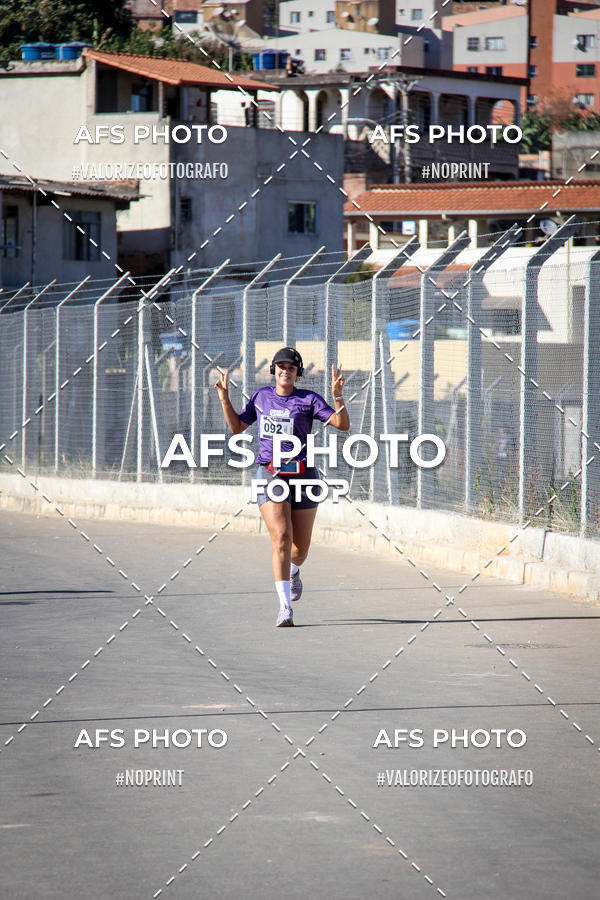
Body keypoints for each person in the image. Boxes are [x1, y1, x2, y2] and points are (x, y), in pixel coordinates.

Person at [215, 347, 349, 627]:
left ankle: (294, 571)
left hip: (304, 475)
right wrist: (225, 398)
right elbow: (237, 427)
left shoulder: (308, 399)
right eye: (281, 367)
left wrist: (337, 396)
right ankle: (285, 607)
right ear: (273, 370)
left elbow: (342, 424)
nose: (285, 371)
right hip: (271, 473)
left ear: (297, 373)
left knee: (299, 550)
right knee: (282, 538)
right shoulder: (261, 397)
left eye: (291, 367)